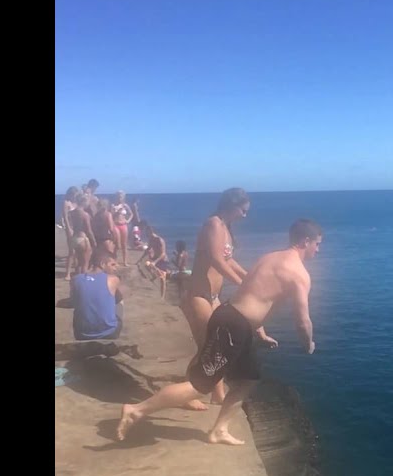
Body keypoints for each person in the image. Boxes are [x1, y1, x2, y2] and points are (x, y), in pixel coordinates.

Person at [116, 219, 323, 445]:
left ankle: (219, 430)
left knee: (248, 379)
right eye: (317, 244)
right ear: (306, 241)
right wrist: (309, 344)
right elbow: (302, 321)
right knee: (200, 386)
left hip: (232, 318)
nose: (318, 249)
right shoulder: (299, 274)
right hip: (233, 327)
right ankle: (136, 410)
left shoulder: (269, 258)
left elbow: (254, 295)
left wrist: (260, 332)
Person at [180, 187, 257, 408]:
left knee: (217, 346)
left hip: (213, 296)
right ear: (231, 205)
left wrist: (249, 278)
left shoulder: (225, 228)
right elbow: (216, 259)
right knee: (206, 347)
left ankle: (217, 394)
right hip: (199, 295)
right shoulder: (213, 224)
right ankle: (190, 394)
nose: (245, 215)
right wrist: (241, 284)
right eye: (243, 210)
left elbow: (228, 260)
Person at [71, 252, 124, 340]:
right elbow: (119, 297)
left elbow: (74, 301)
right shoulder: (113, 279)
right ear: (102, 264)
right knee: (119, 300)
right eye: (112, 265)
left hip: (81, 333)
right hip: (110, 332)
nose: (115, 268)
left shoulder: (75, 279)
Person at [65, 194, 96, 280]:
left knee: (78, 263)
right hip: (83, 238)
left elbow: (69, 224)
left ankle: (77, 280)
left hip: (74, 238)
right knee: (85, 263)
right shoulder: (85, 214)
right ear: (84, 202)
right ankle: (83, 281)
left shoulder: (72, 213)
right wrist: (94, 241)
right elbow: (89, 230)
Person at [138, 225, 172, 300]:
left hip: (162, 260)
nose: (146, 234)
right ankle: (154, 276)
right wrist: (140, 259)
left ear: (151, 231)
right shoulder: (151, 239)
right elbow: (148, 249)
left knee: (162, 279)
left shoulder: (159, 240)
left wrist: (155, 262)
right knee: (146, 265)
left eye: (147, 232)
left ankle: (162, 297)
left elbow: (163, 253)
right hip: (155, 258)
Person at [111, 191, 133, 266]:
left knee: (124, 244)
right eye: (118, 196)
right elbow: (111, 215)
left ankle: (125, 261)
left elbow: (131, 214)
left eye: (121, 197)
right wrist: (117, 211)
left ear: (123, 197)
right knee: (117, 244)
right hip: (116, 225)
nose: (119, 198)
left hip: (123, 225)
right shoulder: (113, 205)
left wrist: (128, 220)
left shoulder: (125, 205)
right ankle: (114, 260)